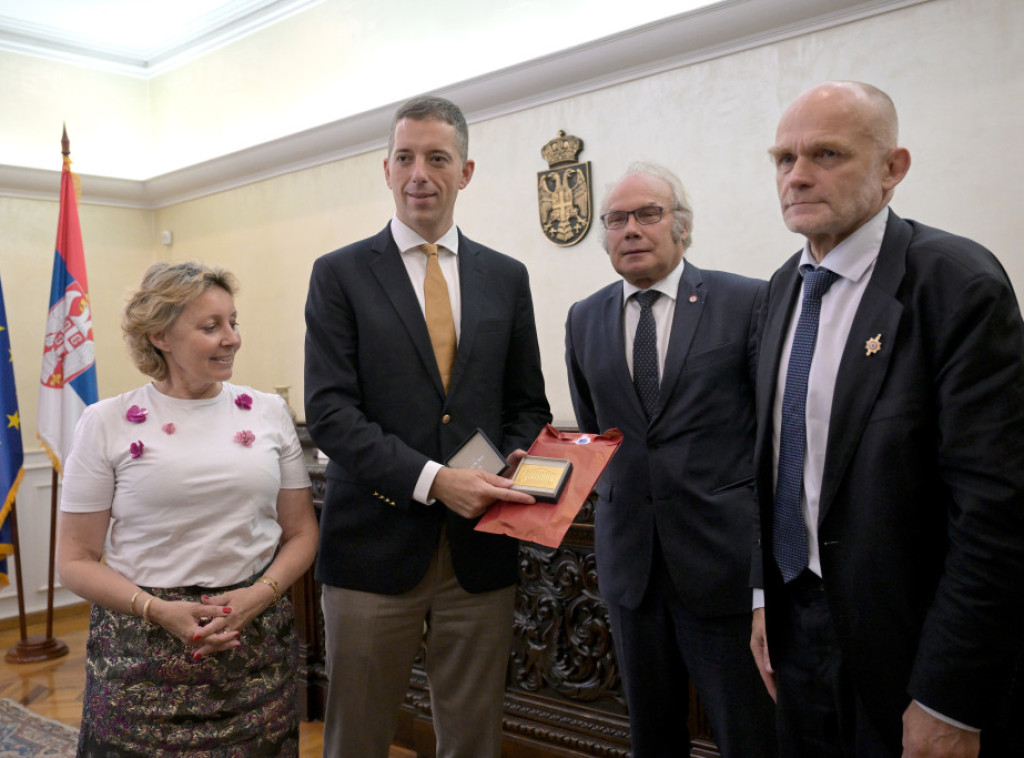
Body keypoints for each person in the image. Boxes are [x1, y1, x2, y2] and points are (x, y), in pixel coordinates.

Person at [750, 81, 1024, 757]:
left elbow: (994, 510)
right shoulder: (783, 287)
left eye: (826, 154)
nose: (797, 176)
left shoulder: (956, 283)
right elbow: (778, 465)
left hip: (911, 643)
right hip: (796, 626)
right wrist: (764, 599)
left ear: (892, 168)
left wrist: (949, 696)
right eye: (784, 158)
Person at [304, 95, 551, 758]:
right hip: (371, 546)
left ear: (465, 172)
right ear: (386, 169)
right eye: (406, 158)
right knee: (357, 738)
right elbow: (330, 414)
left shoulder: (507, 277)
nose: (420, 174)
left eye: (438, 159)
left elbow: (528, 406)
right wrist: (439, 481)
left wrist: (502, 465)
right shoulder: (339, 275)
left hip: (480, 551)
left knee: (472, 738)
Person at [56, 261, 318, 756]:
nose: (232, 338)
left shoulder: (269, 412)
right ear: (160, 336)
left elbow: (302, 532)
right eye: (210, 326)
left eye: (233, 322)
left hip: (253, 644)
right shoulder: (105, 422)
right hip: (140, 651)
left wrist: (257, 597)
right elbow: (74, 560)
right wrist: (159, 611)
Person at [564, 162, 775, 757]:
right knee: (652, 737)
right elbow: (596, 431)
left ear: (682, 226)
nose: (630, 229)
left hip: (723, 567)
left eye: (648, 214)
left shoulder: (745, 301)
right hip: (631, 567)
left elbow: (771, 438)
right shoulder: (584, 317)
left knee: (749, 735)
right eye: (616, 219)